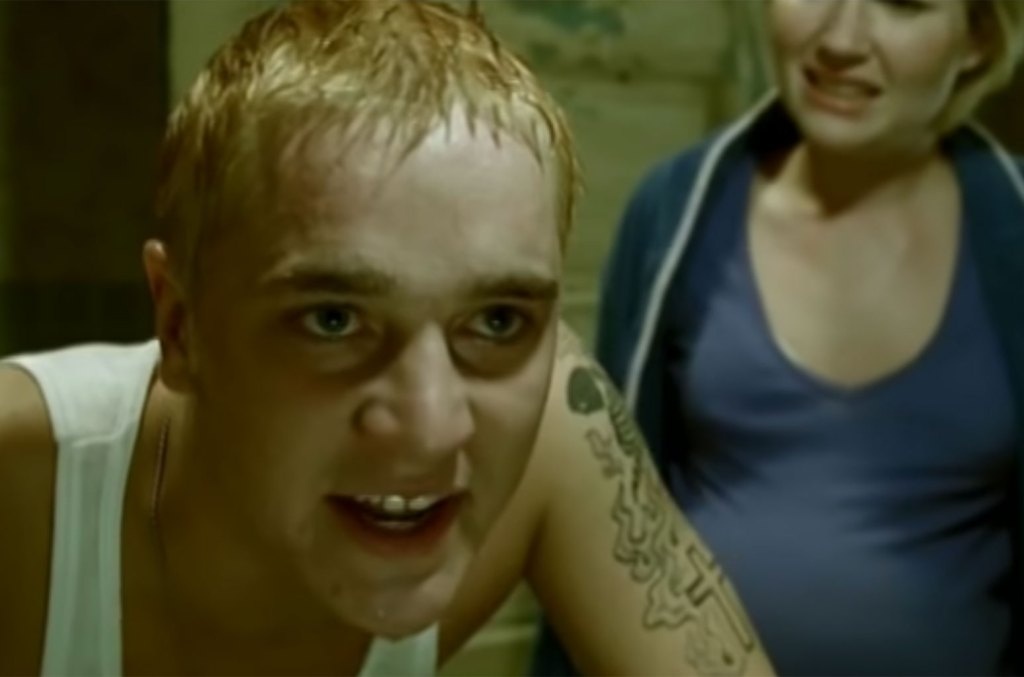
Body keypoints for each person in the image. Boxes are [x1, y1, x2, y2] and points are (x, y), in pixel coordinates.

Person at [0, 1, 776, 675]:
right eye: (333, 320)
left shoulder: (551, 424)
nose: (432, 425)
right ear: (179, 325)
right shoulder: (24, 482)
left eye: (497, 320)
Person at [534, 0, 1024, 675]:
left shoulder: (1011, 235)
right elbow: (592, 519)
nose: (842, 38)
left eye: (903, 3)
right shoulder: (677, 211)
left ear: (977, 38)